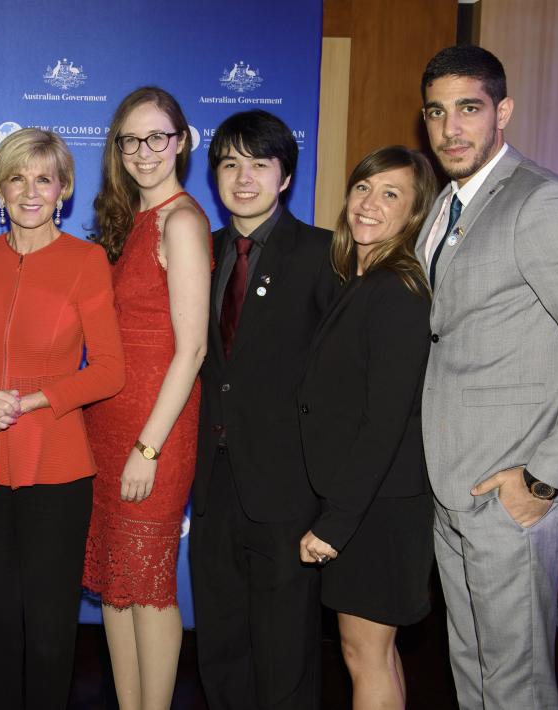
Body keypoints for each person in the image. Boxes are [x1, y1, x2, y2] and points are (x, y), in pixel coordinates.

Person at [417, 45, 558, 709]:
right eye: (437, 112)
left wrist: (545, 478)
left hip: (511, 497)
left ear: (503, 112)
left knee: (516, 689)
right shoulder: (446, 207)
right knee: (474, 676)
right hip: (453, 489)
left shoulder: (543, 204)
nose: (450, 128)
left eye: (469, 108)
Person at [0, 127, 124, 710]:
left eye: (43, 179)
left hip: (57, 465)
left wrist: (29, 400)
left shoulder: (86, 260)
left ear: (63, 190)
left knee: (49, 632)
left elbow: (109, 371)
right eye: (17, 178)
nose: (29, 191)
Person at [189, 109, 339, 710]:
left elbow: (341, 381)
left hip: (288, 485)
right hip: (212, 476)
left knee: (285, 646)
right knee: (221, 637)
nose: (242, 177)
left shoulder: (325, 255)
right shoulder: (198, 250)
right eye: (229, 163)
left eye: (259, 164)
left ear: (285, 177)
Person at [83, 86, 211, 710]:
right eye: (131, 139)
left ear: (182, 141)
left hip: (153, 428)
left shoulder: (182, 221)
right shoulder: (126, 222)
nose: (144, 151)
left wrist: (148, 447)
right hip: (106, 424)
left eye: (158, 136)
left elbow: (192, 350)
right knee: (115, 584)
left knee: (150, 584)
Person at [296, 146, 437, 709]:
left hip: (378, 508)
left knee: (364, 655)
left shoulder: (398, 291)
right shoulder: (361, 281)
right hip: (371, 502)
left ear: (414, 213)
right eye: (363, 188)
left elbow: (386, 422)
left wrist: (337, 523)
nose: (370, 204)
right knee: (375, 652)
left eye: (391, 194)